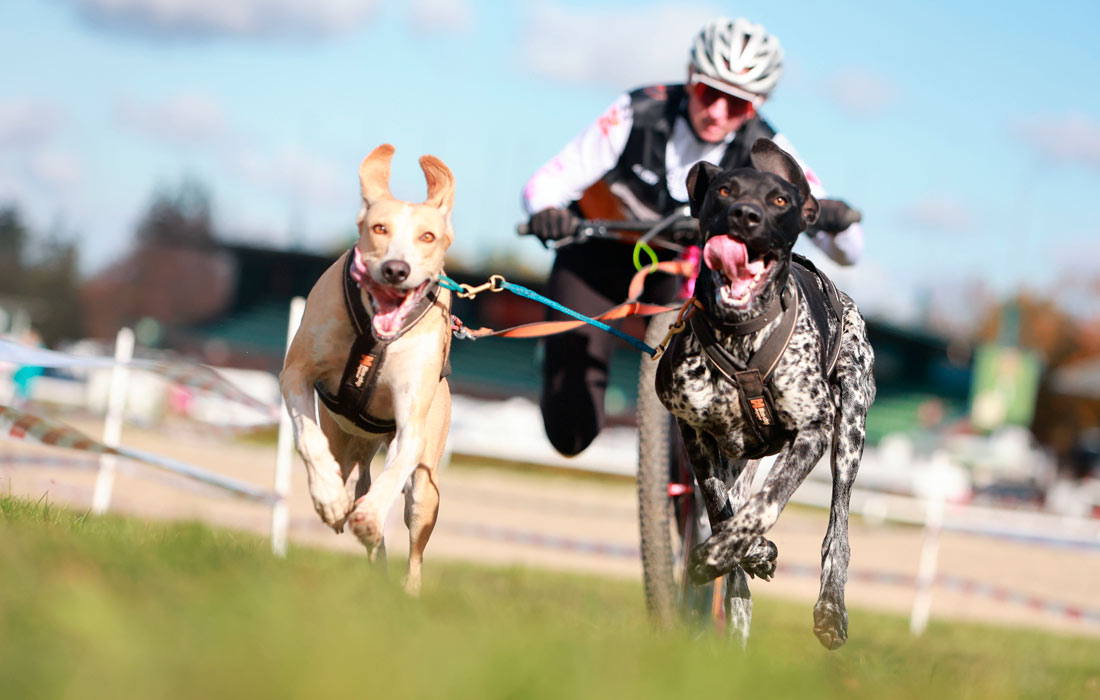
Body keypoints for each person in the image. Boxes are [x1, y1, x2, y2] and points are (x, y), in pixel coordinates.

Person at [521, 17, 864, 457]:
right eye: (709, 92)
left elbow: (849, 251)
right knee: (571, 431)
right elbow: (547, 182)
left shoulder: (766, 146)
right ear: (690, 78)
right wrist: (546, 213)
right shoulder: (639, 110)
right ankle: (557, 358)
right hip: (596, 256)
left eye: (737, 104)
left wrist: (836, 221)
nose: (718, 111)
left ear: (757, 105)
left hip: (678, 267)